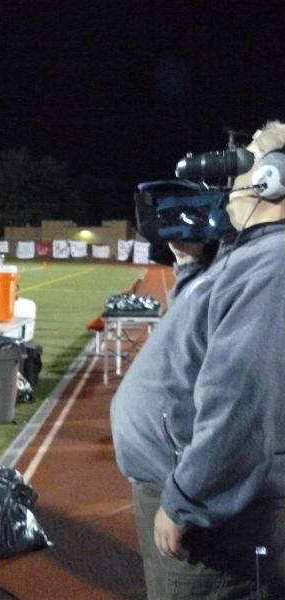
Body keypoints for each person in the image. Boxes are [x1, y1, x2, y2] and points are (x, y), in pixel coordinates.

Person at [110, 121, 285, 599]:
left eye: (247, 159)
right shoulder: (251, 253)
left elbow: (242, 402)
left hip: (215, 525)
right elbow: (200, 331)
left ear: (273, 178)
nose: (231, 177)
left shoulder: (275, 263)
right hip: (196, 499)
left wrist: (187, 500)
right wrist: (189, 266)